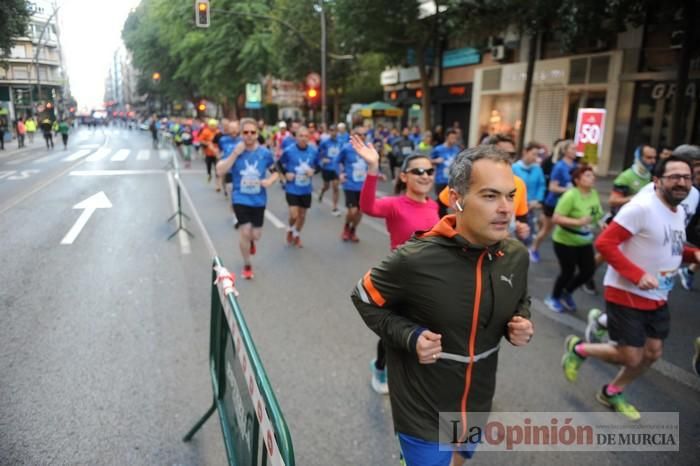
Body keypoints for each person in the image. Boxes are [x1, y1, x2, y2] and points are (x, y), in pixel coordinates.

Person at [351, 145, 533, 465]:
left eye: (510, 195)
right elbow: (364, 298)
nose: (506, 208)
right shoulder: (416, 257)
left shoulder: (515, 255)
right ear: (455, 199)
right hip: (423, 408)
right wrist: (410, 335)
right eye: (490, 196)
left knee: (459, 459)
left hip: (476, 401)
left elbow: (520, 296)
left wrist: (520, 319)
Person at [562, 154, 699, 421]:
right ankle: (578, 348)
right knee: (630, 356)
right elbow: (605, 243)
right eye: (674, 177)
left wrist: (692, 256)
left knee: (652, 353)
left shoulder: (679, 211)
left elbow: (668, 248)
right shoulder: (641, 208)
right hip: (626, 291)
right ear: (657, 181)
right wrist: (636, 275)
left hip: (659, 294)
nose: (682, 182)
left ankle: (612, 391)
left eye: (686, 177)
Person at [353, 137, 440, 395]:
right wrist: (372, 168)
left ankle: (415, 373)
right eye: (418, 171)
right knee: (395, 332)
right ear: (404, 176)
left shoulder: (435, 206)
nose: (425, 176)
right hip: (401, 279)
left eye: (429, 171)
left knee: (425, 328)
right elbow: (367, 206)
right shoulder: (395, 204)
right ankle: (380, 367)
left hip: (430, 280)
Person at [215, 118, 278, 280]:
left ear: (257, 134)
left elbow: (276, 171)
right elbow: (220, 170)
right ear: (241, 134)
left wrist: (269, 181)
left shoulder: (265, 153)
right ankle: (247, 265)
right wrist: (236, 153)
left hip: (258, 199)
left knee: (255, 235)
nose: (249, 135)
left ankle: (251, 242)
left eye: (253, 132)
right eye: (246, 132)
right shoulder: (232, 149)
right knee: (244, 231)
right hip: (240, 198)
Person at [544, 165, 603, 312]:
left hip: (584, 240)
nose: (592, 178)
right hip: (565, 241)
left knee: (588, 271)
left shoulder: (593, 193)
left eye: (592, 175)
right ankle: (553, 298)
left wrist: (601, 223)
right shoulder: (570, 195)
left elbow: (596, 213)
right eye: (588, 175)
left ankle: (567, 292)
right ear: (577, 180)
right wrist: (578, 222)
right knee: (567, 272)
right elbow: (556, 218)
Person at [530, 139, 579, 262]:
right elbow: (552, 187)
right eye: (572, 148)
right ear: (565, 150)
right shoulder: (559, 166)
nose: (575, 151)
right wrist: (568, 190)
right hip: (553, 203)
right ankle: (533, 249)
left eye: (576, 148)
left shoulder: (576, 166)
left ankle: (570, 255)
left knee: (569, 230)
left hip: (569, 203)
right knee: (546, 230)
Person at [279, 126, 319, 248]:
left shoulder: (313, 151)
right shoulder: (289, 150)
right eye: (301, 136)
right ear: (296, 137)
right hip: (292, 188)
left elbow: (318, 166)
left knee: (302, 215)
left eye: (306, 136)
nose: (303, 138)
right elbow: (279, 163)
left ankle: (296, 234)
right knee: (294, 215)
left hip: (306, 189)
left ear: (309, 137)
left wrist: (314, 171)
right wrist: (286, 173)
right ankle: (290, 228)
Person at [337, 126, 370, 242]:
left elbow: (374, 164)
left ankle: (353, 230)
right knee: (352, 211)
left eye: (364, 134)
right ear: (354, 136)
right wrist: (340, 174)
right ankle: (346, 227)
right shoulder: (346, 148)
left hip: (365, 186)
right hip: (350, 184)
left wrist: (379, 174)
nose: (362, 137)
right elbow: (337, 162)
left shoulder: (368, 149)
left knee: (360, 212)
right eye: (359, 134)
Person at [512, 142, 546, 246]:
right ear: (525, 152)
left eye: (537, 155)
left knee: (527, 234)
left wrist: (537, 200)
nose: (535, 157)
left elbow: (542, 185)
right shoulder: (514, 167)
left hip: (531, 206)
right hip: (516, 207)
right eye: (533, 154)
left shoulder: (538, 169)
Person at [430, 129, 461, 217]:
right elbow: (429, 160)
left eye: (455, 138)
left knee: (452, 201)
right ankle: (441, 221)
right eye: (451, 138)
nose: (453, 140)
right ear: (446, 137)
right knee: (441, 202)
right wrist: (436, 160)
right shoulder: (438, 149)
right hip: (440, 179)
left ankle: (446, 220)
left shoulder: (456, 149)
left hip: (452, 180)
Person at [318, 125, 344, 215]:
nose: (333, 133)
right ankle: (322, 191)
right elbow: (318, 153)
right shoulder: (324, 142)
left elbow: (343, 154)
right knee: (326, 186)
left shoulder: (340, 142)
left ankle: (334, 207)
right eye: (332, 131)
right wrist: (323, 159)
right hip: (327, 168)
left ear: (337, 132)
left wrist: (342, 164)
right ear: (329, 132)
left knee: (335, 187)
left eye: (335, 131)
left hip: (336, 168)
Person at [199, 119, 221, 189]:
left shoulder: (218, 132)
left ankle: (217, 183)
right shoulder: (205, 132)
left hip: (216, 153)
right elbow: (201, 140)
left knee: (217, 168)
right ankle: (209, 174)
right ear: (209, 126)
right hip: (208, 153)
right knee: (208, 166)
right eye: (211, 126)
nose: (213, 127)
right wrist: (207, 143)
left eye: (214, 126)